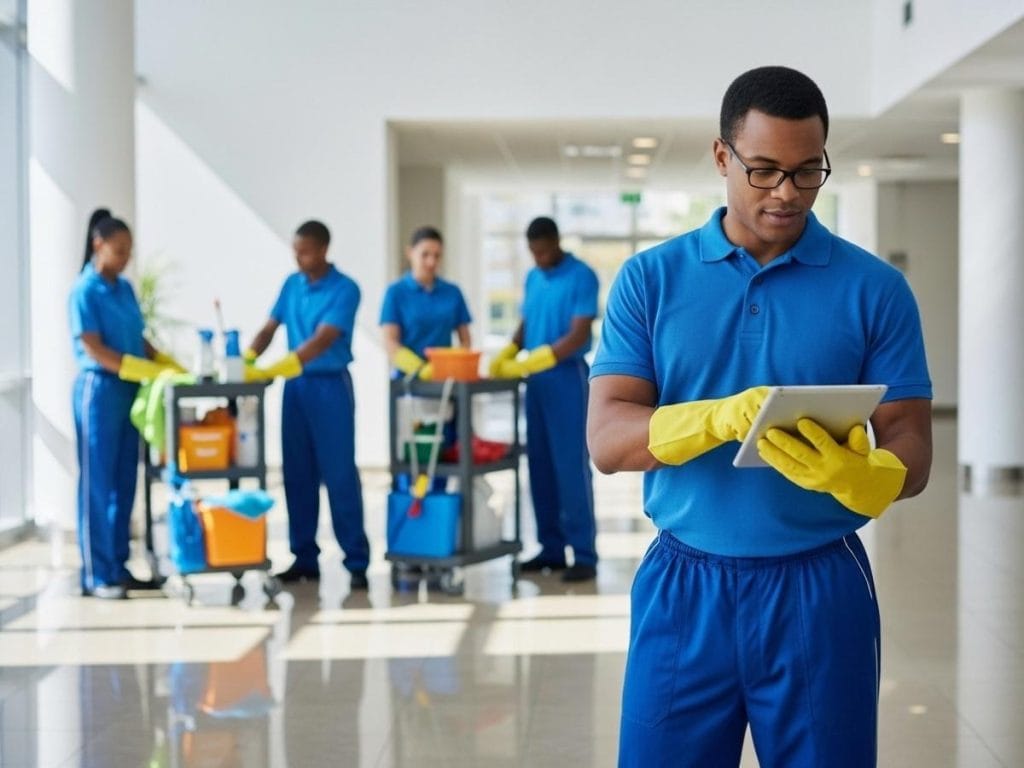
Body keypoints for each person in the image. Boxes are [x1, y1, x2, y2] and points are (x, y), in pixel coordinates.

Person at [587, 66, 933, 767]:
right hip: (685, 586)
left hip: (820, 585)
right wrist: (711, 421)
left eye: (809, 172)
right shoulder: (650, 281)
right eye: (765, 170)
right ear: (722, 156)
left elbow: (910, 438)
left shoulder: (876, 290)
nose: (786, 194)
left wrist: (876, 475)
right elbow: (607, 438)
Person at [246, 220, 370, 590]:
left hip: (330, 387)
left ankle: (357, 560)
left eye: (306, 251)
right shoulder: (291, 284)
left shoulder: (346, 289)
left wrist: (279, 366)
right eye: (295, 250)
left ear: (324, 249)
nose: (299, 257)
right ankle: (303, 558)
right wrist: (247, 361)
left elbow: (322, 339)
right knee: (297, 474)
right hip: (295, 390)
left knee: (339, 475)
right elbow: (269, 329)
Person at [69, 208, 185, 599]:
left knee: (124, 481)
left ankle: (118, 565)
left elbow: (138, 337)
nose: (124, 258)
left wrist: (164, 361)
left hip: (128, 393)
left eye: (128, 252)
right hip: (98, 391)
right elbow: (93, 346)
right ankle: (96, 574)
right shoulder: (84, 291)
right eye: (118, 250)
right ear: (97, 245)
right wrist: (134, 367)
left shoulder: (125, 289)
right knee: (97, 483)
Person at [490, 216, 599, 583]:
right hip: (536, 383)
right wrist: (510, 348)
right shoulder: (533, 277)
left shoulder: (582, 275)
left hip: (567, 377)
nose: (538, 258)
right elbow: (525, 323)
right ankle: (550, 549)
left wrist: (545, 356)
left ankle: (583, 553)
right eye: (532, 252)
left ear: (556, 242)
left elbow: (579, 332)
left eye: (543, 250)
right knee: (539, 467)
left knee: (570, 466)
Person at [380, 225, 472, 379]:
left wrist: (455, 365)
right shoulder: (396, 292)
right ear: (410, 253)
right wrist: (418, 368)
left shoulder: (453, 292)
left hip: (444, 379)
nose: (431, 262)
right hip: (408, 381)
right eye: (425, 255)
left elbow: (466, 340)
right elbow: (390, 341)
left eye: (437, 256)